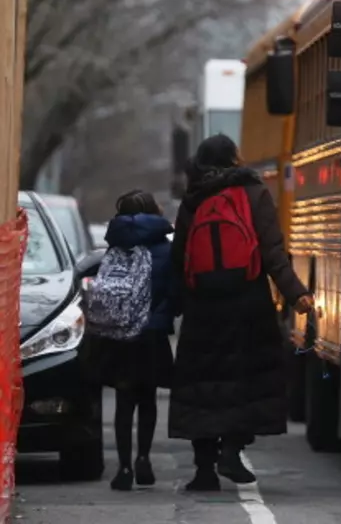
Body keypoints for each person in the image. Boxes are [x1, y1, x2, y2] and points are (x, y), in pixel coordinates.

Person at [169, 133, 313, 491]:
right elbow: (272, 252)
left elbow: (179, 257)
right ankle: (231, 452)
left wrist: (175, 303)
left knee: (201, 385)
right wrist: (296, 295)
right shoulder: (254, 192)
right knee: (246, 381)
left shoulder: (193, 197)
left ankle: (203, 470)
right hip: (247, 303)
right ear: (234, 159)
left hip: (202, 305)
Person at [81, 189, 176, 491]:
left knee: (124, 402)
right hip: (151, 334)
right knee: (147, 399)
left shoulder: (115, 247)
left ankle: (123, 468)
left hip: (119, 335)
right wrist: (163, 317)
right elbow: (175, 292)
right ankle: (144, 459)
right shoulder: (165, 249)